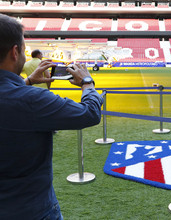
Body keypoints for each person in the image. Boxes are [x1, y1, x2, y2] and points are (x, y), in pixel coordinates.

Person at [0, 13, 103, 219]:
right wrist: (87, 83)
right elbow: (90, 113)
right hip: (31, 209)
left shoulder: (24, 95)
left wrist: (26, 81)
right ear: (15, 52)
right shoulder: (31, 100)